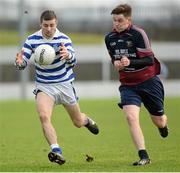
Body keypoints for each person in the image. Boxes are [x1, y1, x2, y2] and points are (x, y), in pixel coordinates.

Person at [15, 10, 99, 165]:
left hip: (65, 84)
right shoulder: (32, 39)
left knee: (77, 121)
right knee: (43, 116)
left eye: (51, 25)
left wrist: (68, 55)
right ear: (41, 24)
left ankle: (86, 120)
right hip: (44, 86)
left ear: (56, 23)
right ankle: (56, 151)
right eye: (45, 25)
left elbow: (73, 62)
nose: (48, 28)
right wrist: (20, 63)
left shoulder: (64, 39)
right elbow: (23, 60)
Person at [105, 4, 168, 166]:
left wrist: (130, 61)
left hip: (148, 82)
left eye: (120, 20)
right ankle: (144, 156)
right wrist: (117, 64)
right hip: (128, 84)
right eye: (114, 21)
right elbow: (114, 58)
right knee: (131, 117)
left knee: (159, 120)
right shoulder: (109, 38)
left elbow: (149, 60)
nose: (116, 24)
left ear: (129, 20)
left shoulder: (139, 34)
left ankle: (163, 125)